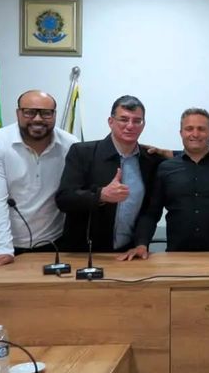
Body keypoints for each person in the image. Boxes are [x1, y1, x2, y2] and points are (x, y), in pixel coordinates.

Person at [128, 108, 209, 260]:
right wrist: (141, 244)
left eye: (201, 129)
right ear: (181, 133)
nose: (195, 134)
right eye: (189, 129)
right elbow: (151, 213)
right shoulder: (165, 169)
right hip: (176, 257)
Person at [55, 95, 165, 256]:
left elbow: (150, 211)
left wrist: (142, 244)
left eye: (137, 121)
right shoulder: (83, 153)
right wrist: (101, 195)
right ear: (111, 122)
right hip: (84, 254)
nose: (130, 126)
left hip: (128, 252)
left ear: (143, 124)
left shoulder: (150, 160)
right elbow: (64, 199)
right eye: (123, 119)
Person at [0, 90, 77, 266]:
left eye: (46, 113)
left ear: (54, 115)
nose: (38, 119)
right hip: (3, 246)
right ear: (18, 113)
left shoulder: (70, 144)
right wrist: (2, 250)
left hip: (53, 244)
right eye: (29, 112)